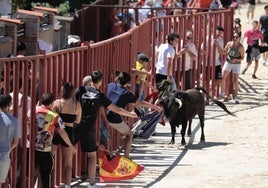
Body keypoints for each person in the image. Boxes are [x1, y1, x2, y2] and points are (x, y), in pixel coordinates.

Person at [75, 70, 138, 188]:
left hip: (75, 125)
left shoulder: (80, 90)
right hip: (89, 128)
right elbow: (117, 109)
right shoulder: (99, 95)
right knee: (92, 156)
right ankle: (92, 183)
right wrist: (130, 114)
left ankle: (68, 183)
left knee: (69, 153)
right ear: (100, 81)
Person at [106, 72, 162, 158]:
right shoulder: (126, 93)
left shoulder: (110, 85)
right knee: (129, 134)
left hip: (102, 115)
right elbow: (140, 103)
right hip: (113, 118)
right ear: (128, 83)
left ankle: (108, 154)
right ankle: (126, 157)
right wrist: (156, 107)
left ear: (117, 79)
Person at [33, 92, 76, 188]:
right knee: (46, 176)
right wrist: (71, 145)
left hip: (30, 148)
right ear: (52, 103)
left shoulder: (32, 111)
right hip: (45, 150)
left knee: (29, 174)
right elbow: (62, 133)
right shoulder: (54, 116)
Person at [52, 83, 82, 188]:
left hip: (56, 131)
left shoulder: (56, 103)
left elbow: (52, 118)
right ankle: (67, 185)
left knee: (50, 158)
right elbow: (77, 121)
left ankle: (50, 183)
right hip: (69, 131)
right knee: (68, 164)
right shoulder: (77, 104)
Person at [0, 94, 21, 188]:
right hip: (4, 155)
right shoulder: (14, 121)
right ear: (9, 105)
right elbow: (16, 142)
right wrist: (8, 149)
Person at [221, 32, 245, 104]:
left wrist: (237, 60)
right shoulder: (229, 44)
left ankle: (236, 97)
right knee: (222, 77)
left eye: (236, 37)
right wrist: (218, 46)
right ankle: (223, 93)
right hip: (228, 62)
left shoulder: (240, 47)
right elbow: (224, 52)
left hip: (236, 63)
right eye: (233, 37)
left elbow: (242, 57)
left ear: (239, 38)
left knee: (235, 80)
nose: (235, 38)